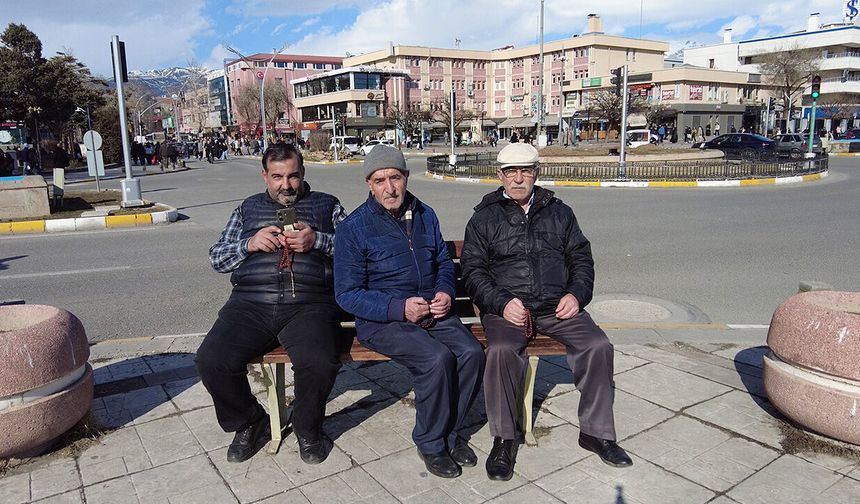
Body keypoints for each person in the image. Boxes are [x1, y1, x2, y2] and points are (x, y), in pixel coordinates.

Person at [461, 143, 632, 481]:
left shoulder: (560, 213)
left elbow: (580, 259)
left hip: (557, 306)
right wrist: (500, 303)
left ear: (537, 173)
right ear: (499, 175)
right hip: (508, 310)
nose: (518, 178)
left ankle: (596, 433)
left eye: (526, 170)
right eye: (511, 171)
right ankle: (505, 438)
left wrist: (576, 295)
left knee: (598, 346)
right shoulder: (484, 217)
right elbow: (473, 271)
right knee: (501, 351)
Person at [334, 146, 485, 479]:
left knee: (472, 353)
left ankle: (452, 432)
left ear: (405, 177)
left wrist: (446, 291)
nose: (389, 187)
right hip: (383, 321)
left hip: (432, 310)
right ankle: (431, 443)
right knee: (436, 359)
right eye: (380, 180)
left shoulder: (425, 214)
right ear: (369, 184)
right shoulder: (354, 228)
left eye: (395, 177)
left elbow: (443, 263)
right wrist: (399, 308)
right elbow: (347, 294)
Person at [195, 143, 348, 465]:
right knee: (212, 359)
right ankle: (251, 422)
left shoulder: (327, 205)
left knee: (318, 362)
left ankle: (308, 429)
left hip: (309, 303)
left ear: (303, 173)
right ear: (265, 175)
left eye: (293, 176)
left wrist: (316, 240)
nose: (286, 185)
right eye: (277, 177)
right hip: (250, 303)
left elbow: (355, 249)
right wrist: (248, 244)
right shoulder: (247, 210)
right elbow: (217, 259)